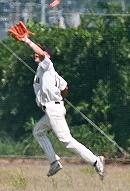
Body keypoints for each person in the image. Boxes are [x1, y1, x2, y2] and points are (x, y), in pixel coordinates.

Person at [18, 35, 104, 180]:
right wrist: (61, 99)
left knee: (66, 141)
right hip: (52, 109)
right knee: (38, 131)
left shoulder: (47, 65)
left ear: (47, 56)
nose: (36, 54)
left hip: (53, 108)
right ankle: (54, 162)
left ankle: (96, 161)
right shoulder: (47, 71)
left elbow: (41, 54)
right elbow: (64, 87)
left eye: (40, 52)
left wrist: (27, 40)